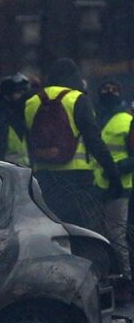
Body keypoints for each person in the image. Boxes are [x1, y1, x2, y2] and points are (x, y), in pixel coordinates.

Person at [24, 58, 121, 232]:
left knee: (52, 230)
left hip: (44, 177)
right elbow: (94, 141)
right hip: (78, 178)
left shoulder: (31, 102)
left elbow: (29, 143)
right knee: (83, 232)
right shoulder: (77, 99)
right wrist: (113, 175)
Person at [92, 79, 134, 285]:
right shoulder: (95, 118)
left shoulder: (127, 120)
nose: (109, 92)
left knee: (117, 236)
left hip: (119, 187)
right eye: (105, 89)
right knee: (98, 236)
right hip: (96, 186)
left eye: (113, 89)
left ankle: (126, 280)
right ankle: (105, 280)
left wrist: (117, 170)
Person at [0, 73, 31, 165]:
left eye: (24, 91)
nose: (23, 96)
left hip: (27, 175)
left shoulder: (25, 119)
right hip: (7, 176)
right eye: (18, 92)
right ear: (7, 96)